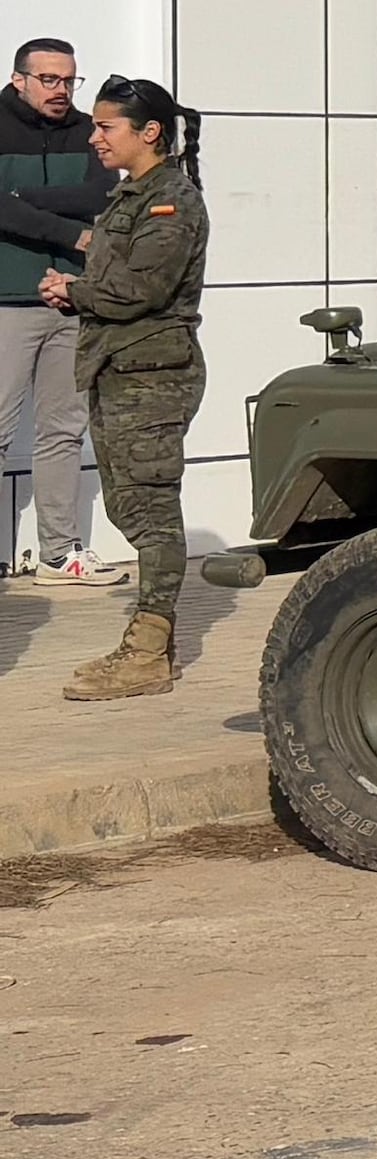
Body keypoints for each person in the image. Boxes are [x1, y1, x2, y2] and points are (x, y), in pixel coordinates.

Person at [53, 77, 207, 701]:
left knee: (150, 508)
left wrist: (75, 291)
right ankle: (149, 646)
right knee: (128, 505)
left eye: (106, 127)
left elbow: (143, 289)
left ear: (150, 133)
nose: (94, 137)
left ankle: (148, 653)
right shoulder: (132, 195)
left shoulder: (172, 200)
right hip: (119, 369)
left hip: (152, 377)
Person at [0, 38, 100, 581]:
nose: (61, 90)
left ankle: (61, 553)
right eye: (50, 80)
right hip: (6, 302)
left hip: (71, 299)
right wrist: (69, 233)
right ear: (20, 80)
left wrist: (22, 202)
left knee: (63, 430)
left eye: (69, 80)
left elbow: (101, 197)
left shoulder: (89, 131)